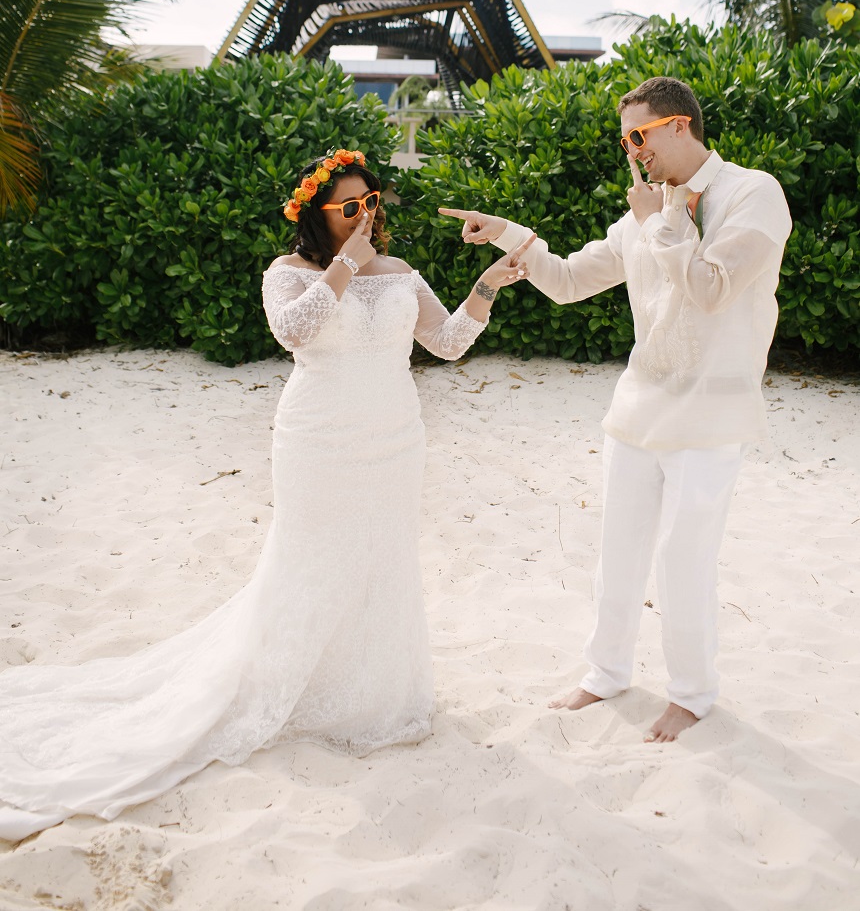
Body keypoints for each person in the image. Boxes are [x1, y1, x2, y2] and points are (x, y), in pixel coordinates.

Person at [0, 147, 533, 841]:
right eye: (349, 207)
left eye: (372, 202)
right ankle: (293, 690)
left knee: (382, 563)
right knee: (312, 564)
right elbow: (296, 331)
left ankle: (370, 698)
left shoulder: (403, 274)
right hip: (319, 444)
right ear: (317, 215)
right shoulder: (288, 274)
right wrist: (346, 264)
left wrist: (489, 283)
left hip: (396, 442)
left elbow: (449, 342)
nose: (365, 215)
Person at [441, 77, 792, 743]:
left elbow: (712, 290)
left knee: (684, 559)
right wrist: (504, 235)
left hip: (712, 417)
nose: (632, 150)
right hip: (638, 410)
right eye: (625, 138)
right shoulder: (646, 209)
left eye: (640, 135)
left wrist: (661, 221)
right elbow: (571, 280)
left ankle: (691, 694)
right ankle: (606, 674)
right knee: (619, 553)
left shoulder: (754, 193)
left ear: (679, 125)